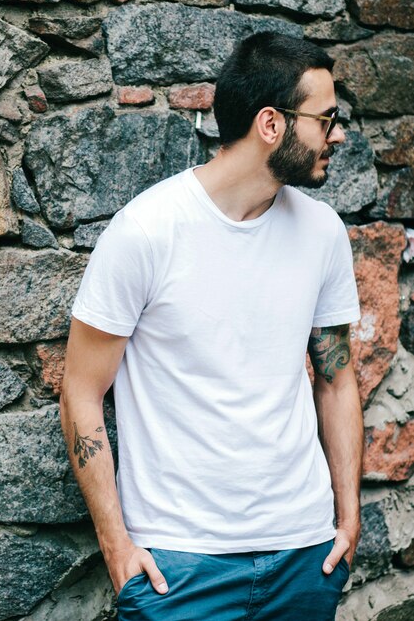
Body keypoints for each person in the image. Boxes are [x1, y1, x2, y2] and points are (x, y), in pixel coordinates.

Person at [61, 31, 364, 620]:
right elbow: (81, 389)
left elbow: (336, 378)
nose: (339, 134)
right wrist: (117, 548)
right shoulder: (148, 231)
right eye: (326, 119)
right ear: (271, 124)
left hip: (304, 556)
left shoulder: (323, 232)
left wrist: (346, 518)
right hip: (180, 568)